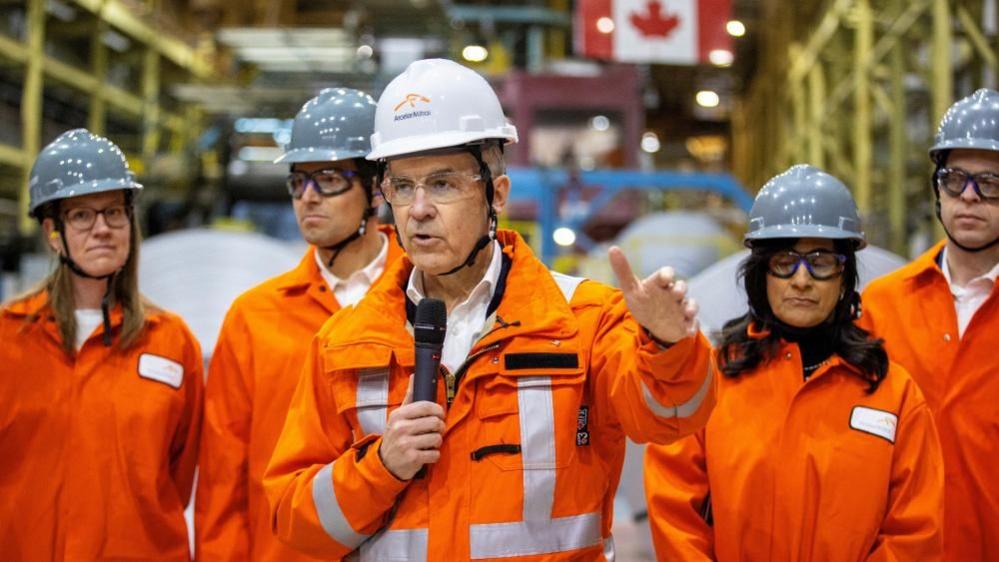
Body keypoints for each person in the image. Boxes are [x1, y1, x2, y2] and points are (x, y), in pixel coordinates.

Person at [263, 58, 715, 561]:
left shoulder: (581, 321)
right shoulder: (342, 342)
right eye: (403, 187)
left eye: (442, 184)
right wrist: (380, 466)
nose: (418, 210)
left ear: (495, 193)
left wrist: (669, 346)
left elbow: (669, 417)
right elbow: (293, 521)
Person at [644, 165, 944, 561]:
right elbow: (674, 509)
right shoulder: (708, 382)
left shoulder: (894, 395)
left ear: (843, 276)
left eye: (821, 261)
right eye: (785, 261)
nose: (801, 280)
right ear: (761, 273)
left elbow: (914, 532)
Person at [195, 88, 403, 561]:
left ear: (376, 187)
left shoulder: (429, 299)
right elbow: (222, 482)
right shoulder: (255, 316)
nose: (308, 197)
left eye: (328, 179)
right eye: (298, 181)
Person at [0, 129, 203, 560]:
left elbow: (179, 477)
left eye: (114, 212)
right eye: (81, 216)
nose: (103, 229)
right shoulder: (8, 337)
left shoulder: (171, 342)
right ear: (52, 231)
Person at [859, 88, 999, 561]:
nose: (970, 198)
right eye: (955, 179)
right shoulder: (883, 304)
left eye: (991, 183)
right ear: (937, 187)